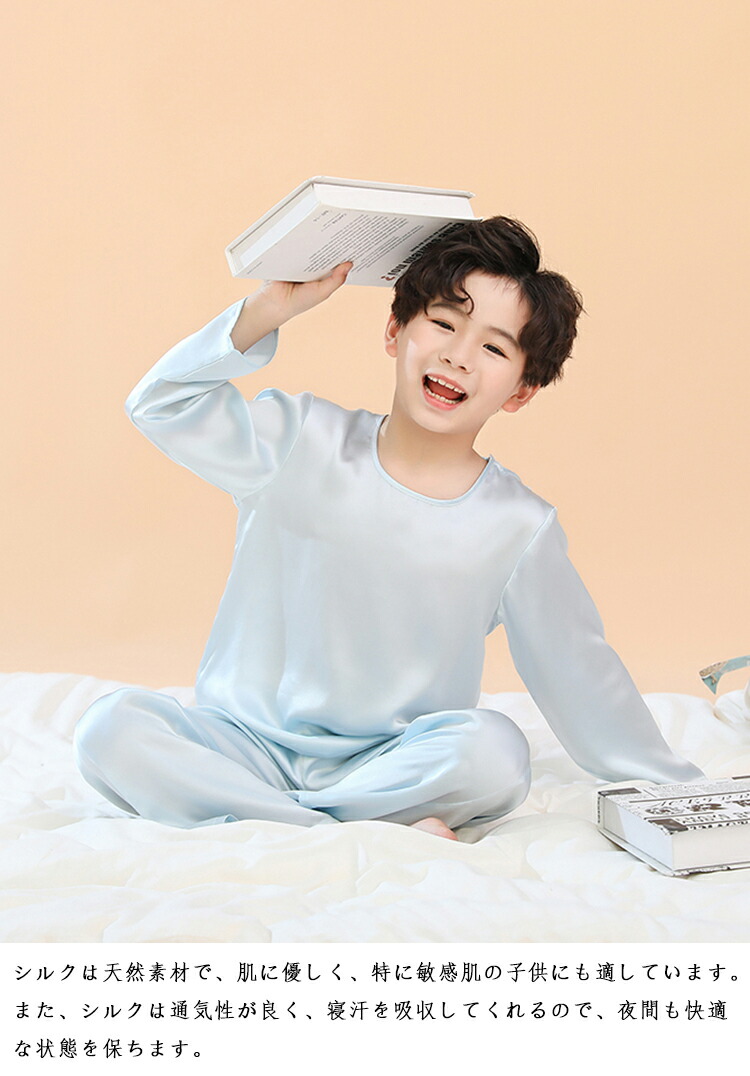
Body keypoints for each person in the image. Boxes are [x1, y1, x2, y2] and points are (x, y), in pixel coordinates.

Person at [74, 216, 703, 841]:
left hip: (393, 760)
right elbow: (159, 403)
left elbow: (578, 669)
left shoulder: (518, 524)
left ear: (522, 391)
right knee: (110, 728)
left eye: (494, 348)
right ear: (395, 330)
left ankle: (276, 815)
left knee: (496, 754)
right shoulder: (299, 439)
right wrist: (268, 309)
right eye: (444, 324)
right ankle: (350, 826)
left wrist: (680, 785)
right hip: (242, 743)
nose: (459, 356)